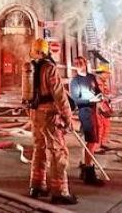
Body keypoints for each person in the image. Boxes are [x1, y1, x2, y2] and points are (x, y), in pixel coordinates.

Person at [27, 38, 78, 205]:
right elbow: (59, 94)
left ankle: (36, 185)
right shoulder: (49, 68)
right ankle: (60, 191)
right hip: (49, 114)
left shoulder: (29, 67)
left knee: (39, 149)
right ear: (46, 51)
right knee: (57, 152)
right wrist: (68, 116)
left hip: (35, 114)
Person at [69, 56, 105, 186]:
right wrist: (90, 101)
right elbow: (76, 100)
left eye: (81, 62)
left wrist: (100, 96)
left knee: (93, 140)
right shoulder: (75, 82)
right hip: (85, 113)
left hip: (94, 112)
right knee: (90, 141)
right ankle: (89, 173)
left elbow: (97, 91)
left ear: (85, 64)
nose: (79, 64)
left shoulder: (91, 78)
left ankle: (84, 167)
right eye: (76, 63)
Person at [94, 63, 114, 151]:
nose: (108, 75)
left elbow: (106, 93)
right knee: (99, 127)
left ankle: (102, 143)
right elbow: (97, 96)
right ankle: (96, 147)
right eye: (107, 73)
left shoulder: (103, 82)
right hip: (98, 108)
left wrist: (108, 97)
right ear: (101, 73)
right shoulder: (96, 83)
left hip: (103, 107)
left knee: (106, 125)